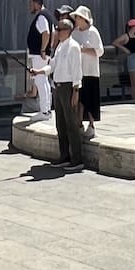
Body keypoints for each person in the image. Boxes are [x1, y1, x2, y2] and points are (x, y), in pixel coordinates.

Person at [49, 17, 83, 172]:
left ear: (68, 31)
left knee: (71, 124)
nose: (57, 32)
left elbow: (77, 71)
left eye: (59, 29)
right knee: (60, 123)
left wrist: (76, 91)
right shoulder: (60, 46)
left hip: (69, 87)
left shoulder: (73, 47)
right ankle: (64, 156)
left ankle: (77, 159)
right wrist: (39, 71)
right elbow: (52, 65)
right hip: (58, 87)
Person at [70, 6, 103, 140]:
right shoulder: (74, 33)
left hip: (91, 71)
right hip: (78, 71)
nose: (76, 20)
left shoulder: (93, 32)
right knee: (80, 100)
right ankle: (78, 124)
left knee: (90, 99)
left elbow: (100, 51)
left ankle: (91, 125)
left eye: (77, 17)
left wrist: (84, 50)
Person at [26, 0, 54, 121]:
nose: (30, 7)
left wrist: (43, 49)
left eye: (31, 4)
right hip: (43, 53)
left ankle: (44, 111)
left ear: (37, 3)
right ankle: (47, 109)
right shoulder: (48, 15)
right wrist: (49, 49)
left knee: (40, 81)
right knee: (44, 81)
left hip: (39, 54)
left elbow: (46, 33)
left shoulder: (41, 16)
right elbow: (53, 33)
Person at [113, 19, 135, 100]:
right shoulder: (126, 36)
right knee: (134, 83)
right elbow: (115, 42)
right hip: (132, 57)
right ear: (132, 27)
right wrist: (125, 49)